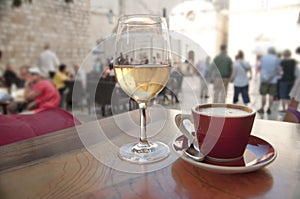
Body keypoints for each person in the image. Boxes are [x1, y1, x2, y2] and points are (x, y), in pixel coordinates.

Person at [257, 47, 281, 114]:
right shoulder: (277, 59)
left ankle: (262, 108)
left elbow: (259, 67)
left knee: (263, 94)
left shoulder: (263, 58)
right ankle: (269, 108)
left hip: (264, 79)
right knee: (271, 95)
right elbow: (278, 69)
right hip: (273, 80)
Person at [283, 46, 300, 123]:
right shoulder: (294, 62)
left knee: (284, 96)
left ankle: (283, 107)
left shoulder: (283, 62)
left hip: (285, 81)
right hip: (291, 81)